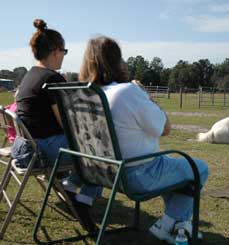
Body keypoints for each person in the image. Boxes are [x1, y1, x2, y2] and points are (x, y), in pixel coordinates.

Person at [79, 36, 209, 244]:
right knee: (199, 168)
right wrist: (145, 95)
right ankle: (167, 224)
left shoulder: (86, 94)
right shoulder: (128, 92)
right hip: (138, 176)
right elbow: (165, 129)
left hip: (102, 173)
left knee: (177, 171)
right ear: (117, 61)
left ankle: (180, 224)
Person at [15, 19, 102, 231]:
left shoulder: (30, 75)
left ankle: (70, 185)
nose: (64, 55)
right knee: (102, 151)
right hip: (45, 150)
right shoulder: (52, 79)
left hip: (27, 148)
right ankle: (81, 199)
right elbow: (68, 124)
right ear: (55, 51)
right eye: (64, 51)